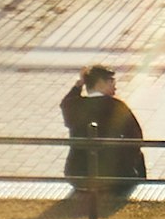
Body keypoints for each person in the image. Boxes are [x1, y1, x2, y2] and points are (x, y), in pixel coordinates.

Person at [60, 64, 146, 208]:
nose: (115, 87)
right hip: (113, 178)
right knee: (137, 156)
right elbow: (136, 138)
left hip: (77, 175)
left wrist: (79, 84)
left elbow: (66, 102)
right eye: (111, 82)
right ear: (101, 83)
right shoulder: (116, 106)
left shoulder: (73, 106)